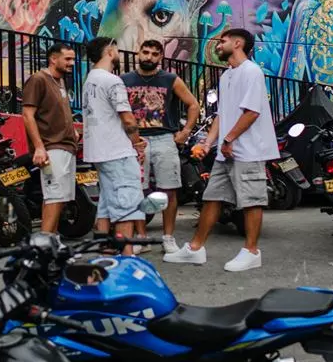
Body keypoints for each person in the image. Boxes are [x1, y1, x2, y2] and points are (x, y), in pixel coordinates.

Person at [165, 28, 277, 272]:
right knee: (212, 197)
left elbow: (252, 112)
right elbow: (222, 114)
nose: (217, 45)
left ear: (237, 43)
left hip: (249, 151)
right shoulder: (227, 76)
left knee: (251, 201)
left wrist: (228, 139)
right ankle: (195, 249)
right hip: (226, 151)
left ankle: (251, 252)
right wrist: (209, 143)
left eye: (222, 41)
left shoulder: (252, 72)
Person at [123, 40, 200, 253]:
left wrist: (186, 132)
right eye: (146, 52)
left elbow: (193, 104)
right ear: (138, 53)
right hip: (136, 141)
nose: (149, 57)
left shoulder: (170, 79)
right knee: (137, 190)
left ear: (160, 57)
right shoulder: (124, 80)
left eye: (155, 54)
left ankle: (168, 238)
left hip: (165, 139)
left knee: (169, 190)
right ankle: (141, 238)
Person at [81, 37, 147, 255]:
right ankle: (126, 253)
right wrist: (137, 143)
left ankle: (105, 248)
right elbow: (128, 119)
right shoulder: (112, 81)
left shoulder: (90, 79)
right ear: (109, 51)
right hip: (116, 150)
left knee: (107, 200)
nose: (118, 53)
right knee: (127, 203)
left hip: (99, 150)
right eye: (117, 49)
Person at [22, 43, 78, 234]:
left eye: (73, 59)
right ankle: (45, 243)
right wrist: (39, 147)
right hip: (51, 148)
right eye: (67, 59)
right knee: (54, 197)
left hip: (67, 146)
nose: (72, 63)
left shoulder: (60, 81)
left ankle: (51, 241)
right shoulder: (38, 79)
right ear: (53, 59)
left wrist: (72, 130)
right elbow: (27, 115)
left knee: (60, 198)